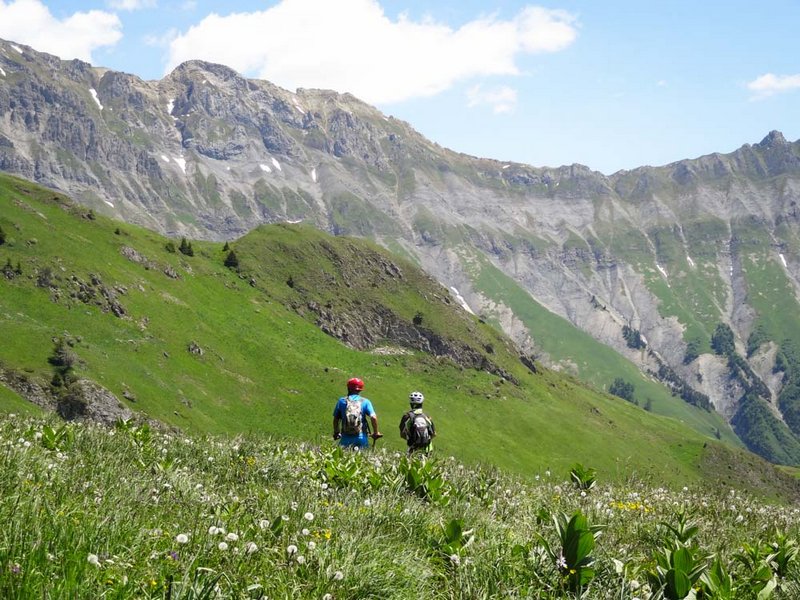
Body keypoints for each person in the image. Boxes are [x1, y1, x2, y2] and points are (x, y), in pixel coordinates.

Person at [332, 377, 382, 449]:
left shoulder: (341, 401)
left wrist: (336, 432)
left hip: (345, 438)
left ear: (348, 388)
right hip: (361, 438)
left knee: (341, 458)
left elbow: (336, 419)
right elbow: (373, 417)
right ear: (360, 389)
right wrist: (376, 432)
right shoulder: (365, 402)